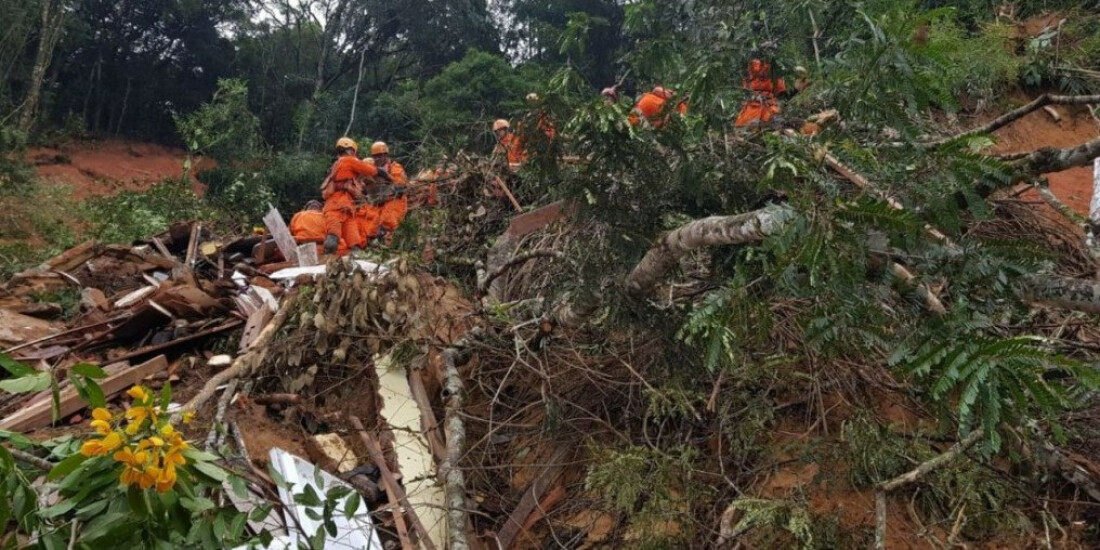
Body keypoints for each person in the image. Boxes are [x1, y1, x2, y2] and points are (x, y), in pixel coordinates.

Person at [320, 137, 385, 254]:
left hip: (348, 210)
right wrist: (385, 174)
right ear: (351, 150)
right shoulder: (348, 160)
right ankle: (325, 267)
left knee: (355, 246)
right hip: (336, 207)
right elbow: (371, 170)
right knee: (332, 240)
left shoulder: (338, 165)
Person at [367, 141, 408, 245]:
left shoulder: (395, 167)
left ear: (385, 155)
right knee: (371, 233)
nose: (377, 159)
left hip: (395, 201)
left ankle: (389, 248)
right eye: (375, 157)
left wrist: (386, 176)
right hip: (381, 204)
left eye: (379, 156)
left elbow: (400, 186)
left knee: (385, 226)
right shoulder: (373, 171)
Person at [734, 58, 787, 128]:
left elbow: (781, 94)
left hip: (769, 105)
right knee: (745, 125)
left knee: (773, 120)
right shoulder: (752, 71)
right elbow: (746, 90)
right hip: (754, 105)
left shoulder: (774, 74)